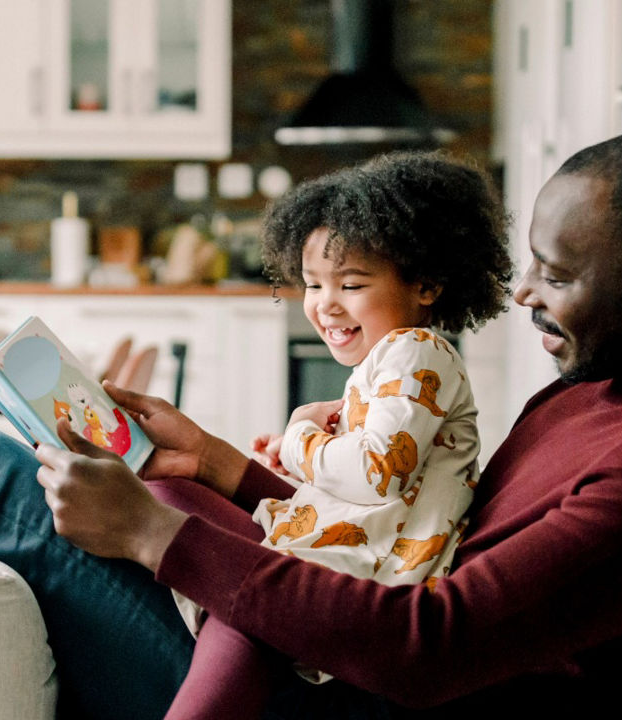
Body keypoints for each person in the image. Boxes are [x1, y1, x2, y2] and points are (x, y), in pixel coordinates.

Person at [0, 132, 622, 718]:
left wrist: (149, 535)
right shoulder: (584, 393)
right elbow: (402, 535)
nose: (524, 293)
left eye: (559, 275)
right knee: (135, 484)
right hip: (325, 643)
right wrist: (215, 465)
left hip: (332, 690)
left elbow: (424, 645)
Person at [163, 152, 511, 717]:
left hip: (374, 577)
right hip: (354, 553)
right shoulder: (388, 362)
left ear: (425, 284)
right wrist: (301, 458)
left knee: (231, 613)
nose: (325, 304)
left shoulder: (416, 351)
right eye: (312, 284)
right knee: (176, 502)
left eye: (350, 283)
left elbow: (379, 471)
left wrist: (302, 436)